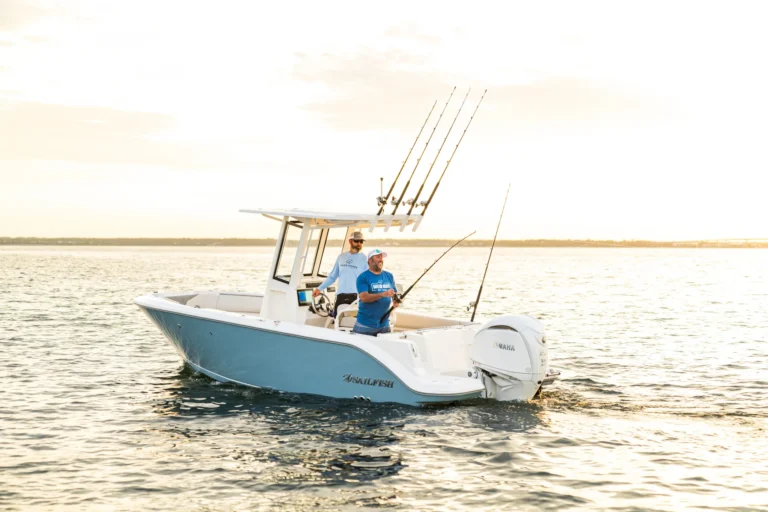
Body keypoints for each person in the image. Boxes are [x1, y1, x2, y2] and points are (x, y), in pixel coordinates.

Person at [313, 231, 368, 317]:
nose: (359, 244)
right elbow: (332, 277)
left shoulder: (365, 259)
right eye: (356, 241)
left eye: (361, 241)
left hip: (356, 298)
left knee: (352, 322)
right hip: (340, 297)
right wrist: (319, 288)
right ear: (350, 241)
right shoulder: (341, 257)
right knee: (337, 321)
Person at [353, 248, 401, 336]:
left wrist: (396, 300)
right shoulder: (363, 277)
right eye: (377, 257)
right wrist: (383, 294)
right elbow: (364, 298)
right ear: (369, 261)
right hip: (365, 326)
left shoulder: (389, 276)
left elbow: (394, 293)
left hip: (384, 325)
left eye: (381, 257)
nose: (380, 259)